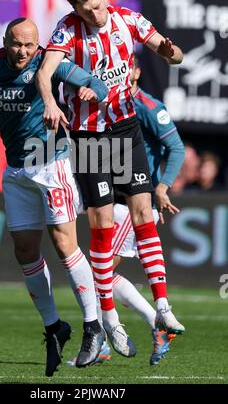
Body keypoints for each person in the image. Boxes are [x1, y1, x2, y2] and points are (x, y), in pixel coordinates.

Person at [0, 17, 109, 376]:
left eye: (30, 45)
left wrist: (91, 91)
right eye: (16, 44)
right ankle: (54, 327)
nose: (23, 51)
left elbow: (98, 84)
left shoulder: (49, 62)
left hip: (51, 162)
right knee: (24, 251)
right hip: (16, 170)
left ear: (38, 45)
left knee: (65, 244)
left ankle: (94, 326)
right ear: (5, 40)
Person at [36, 0, 185, 353]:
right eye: (87, 12)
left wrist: (170, 52)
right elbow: (44, 71)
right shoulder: (67, 29)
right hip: (88, 136)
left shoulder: (128, 20)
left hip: (124, 128)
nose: (96, 15)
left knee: (143, 213)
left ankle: (163, 306)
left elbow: (174, 54)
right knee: (101, 226)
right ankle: (109, 320)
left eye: (98, 6)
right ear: (76, 11)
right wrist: (52, 102)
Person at [67, 58, 185, 367]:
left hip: (129, 199)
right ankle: (147, 324)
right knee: (97, 273)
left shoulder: (144, 104)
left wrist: (162, 187)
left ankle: (135, 329)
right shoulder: (104, 104)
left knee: (96, 273)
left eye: (125, 66)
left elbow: (176, 147)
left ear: (134, 71)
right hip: (116, 192)